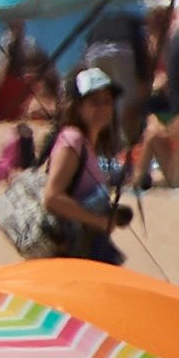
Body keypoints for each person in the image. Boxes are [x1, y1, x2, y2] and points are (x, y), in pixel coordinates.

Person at [36, 68, 131, 264]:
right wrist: (98, 221)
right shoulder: (73, 140)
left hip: (88, 245)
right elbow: (52, 198)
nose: (103, 108)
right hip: (73, 249)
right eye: (94, 102)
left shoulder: (88, 143)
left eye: (107, 101)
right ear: (78, 106)